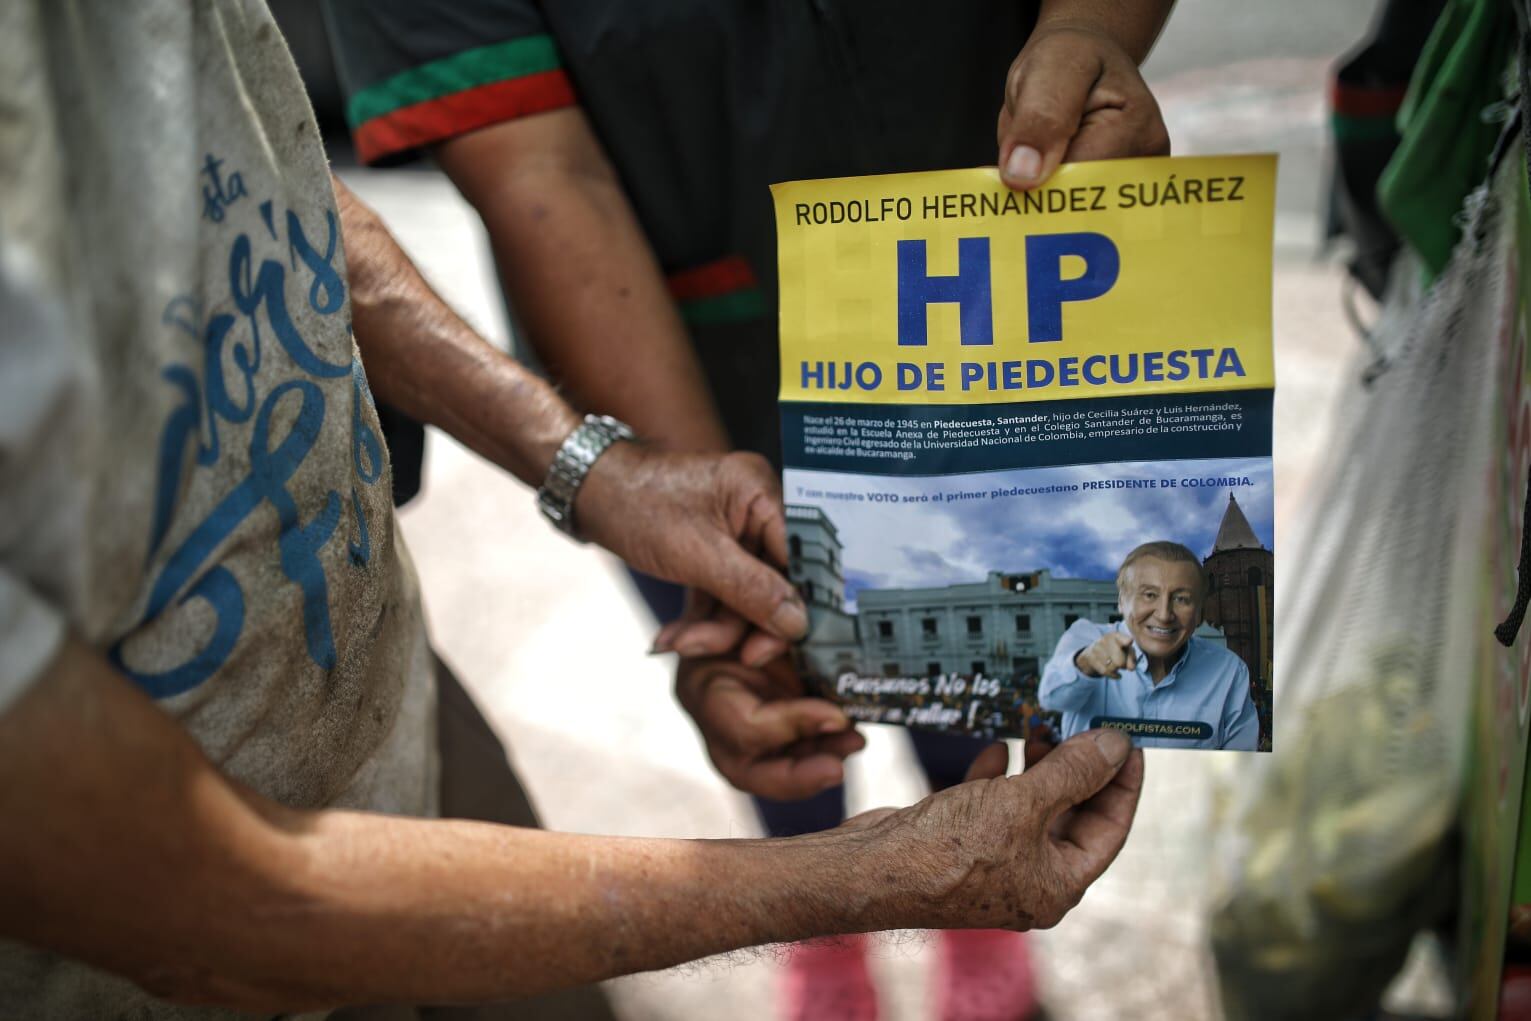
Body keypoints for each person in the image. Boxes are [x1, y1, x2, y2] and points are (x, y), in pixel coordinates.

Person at [0, 3, 1145, 1019]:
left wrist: (593, 467)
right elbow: (221, 912)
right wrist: (865, 882)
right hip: (185, 917)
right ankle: (834, 937)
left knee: (938, 645)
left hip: (378, 710)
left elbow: (264, 184)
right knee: (790, 691)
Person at [320, 4, 1174, 1014]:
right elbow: (541, 174)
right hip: (667, 347)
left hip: (995, 295)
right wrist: (809, 888)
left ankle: (941, 877)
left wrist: (1089, 28)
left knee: (970, 655)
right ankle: (821, 925)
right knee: (770, 678)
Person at [1040, 541, 1260, 752]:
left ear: (1200, 611)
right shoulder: (1086, 635)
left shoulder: (1228, 670)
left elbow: (1241, 760)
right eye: (1149, 595)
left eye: (1182, 599)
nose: (1164, 615)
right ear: (1122, 601)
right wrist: (1086, 663)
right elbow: (1051, 698)